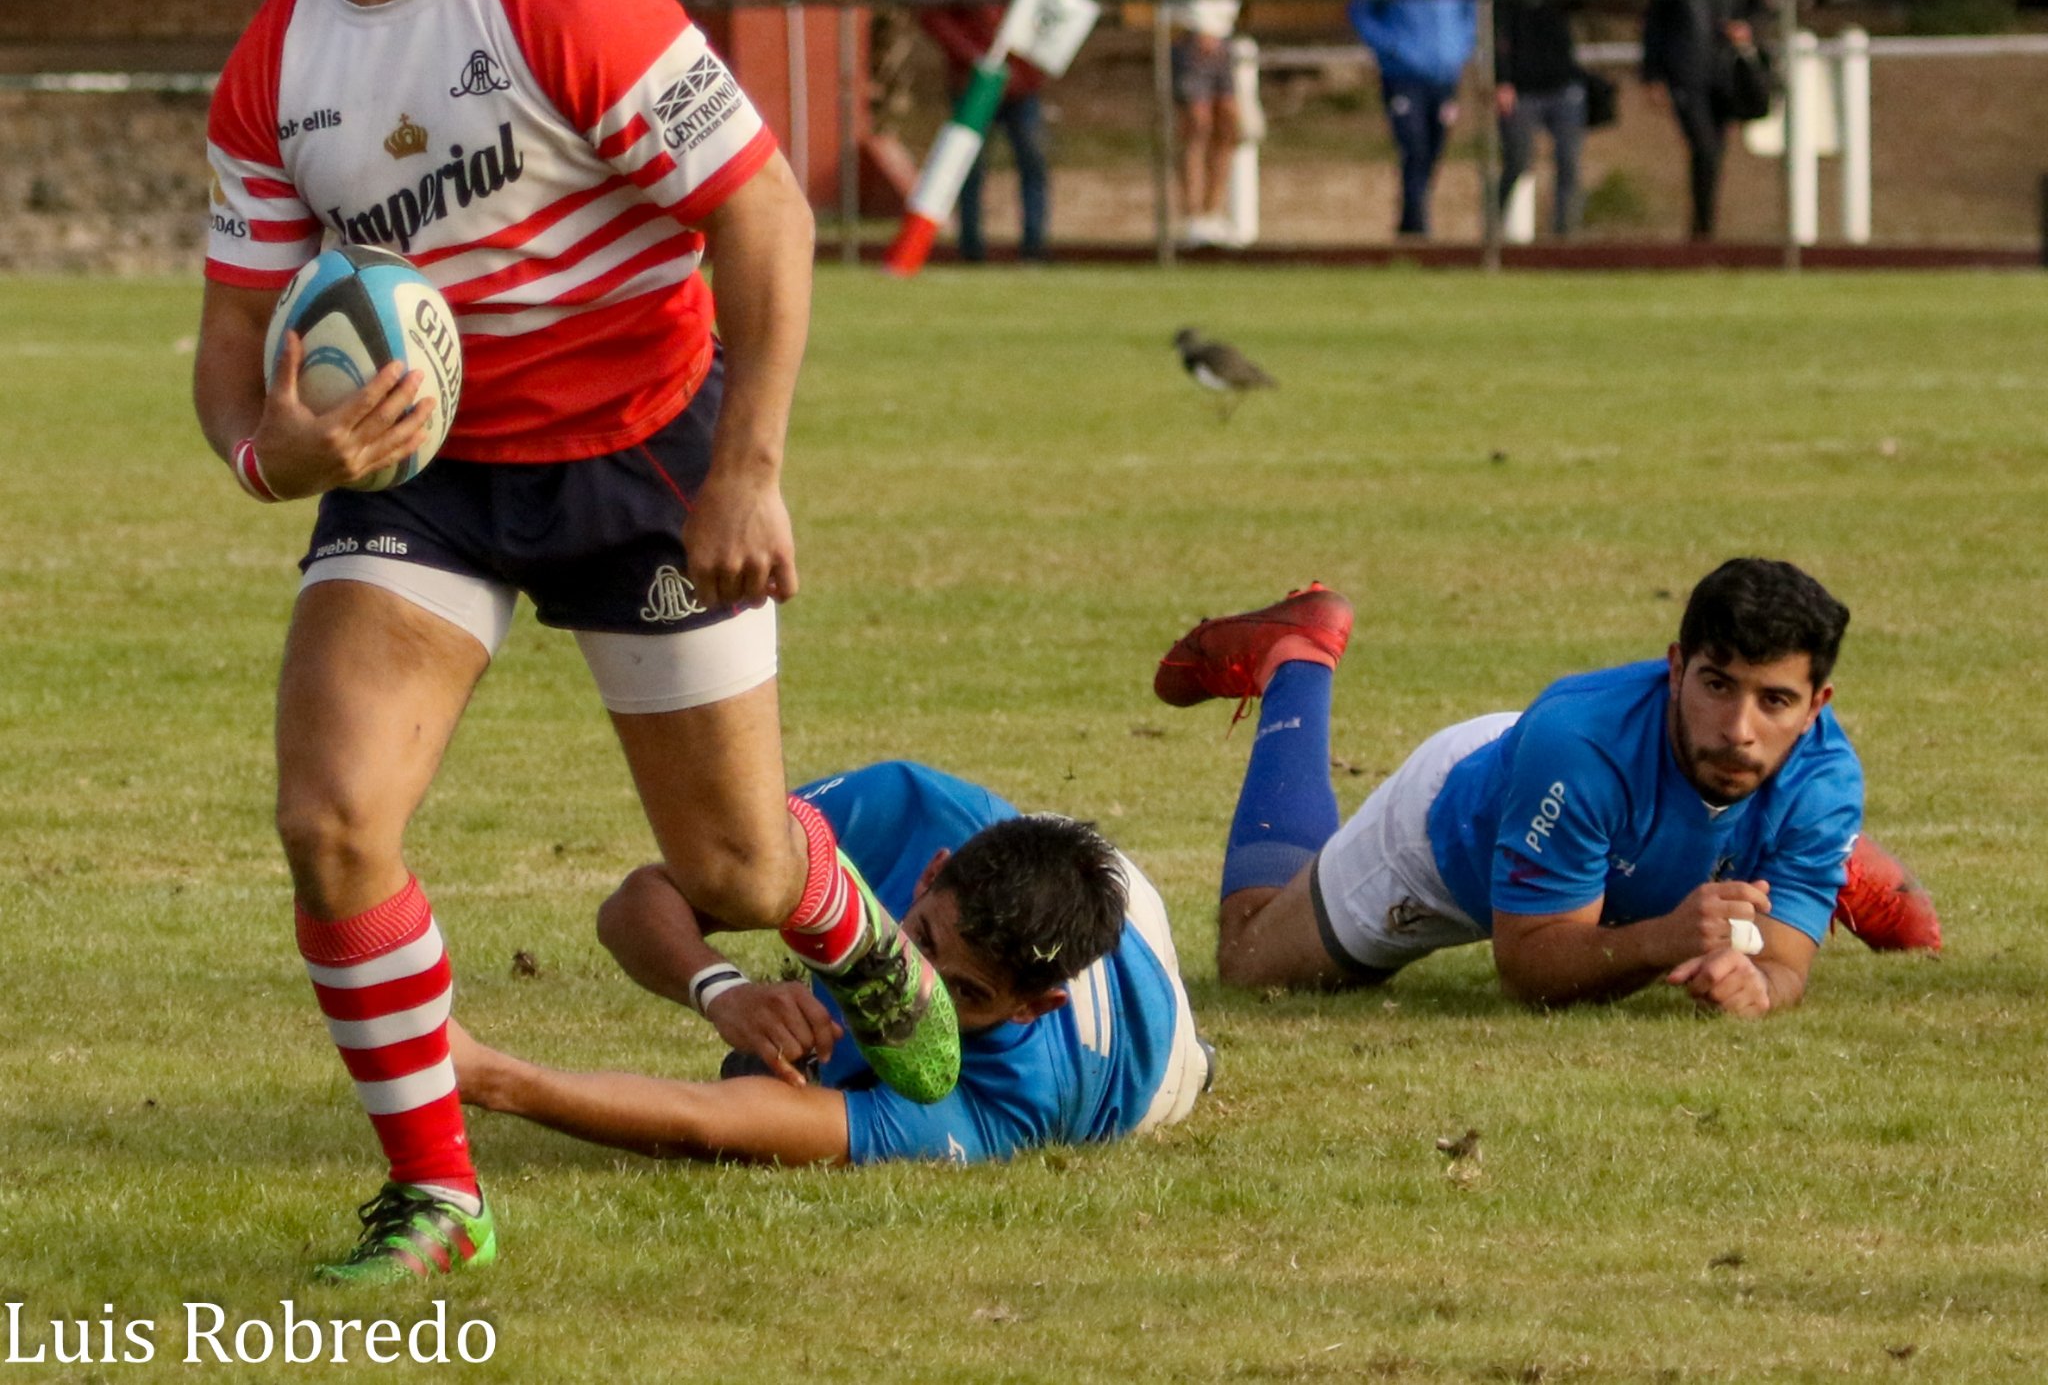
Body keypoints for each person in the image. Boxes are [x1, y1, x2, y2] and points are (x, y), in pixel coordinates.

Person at [192, 0, 957, 1284]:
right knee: (332, 818)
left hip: (646, 445)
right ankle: (435, 1190)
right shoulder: (270, 71)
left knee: (732, 864)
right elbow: (223, 360)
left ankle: (851, 932)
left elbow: (763, 211)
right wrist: (281, 452)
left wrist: (745, 468)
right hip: (429, 466)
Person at [1157, 562, 1931, 1020]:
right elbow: (1527, 969)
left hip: (1608, 794)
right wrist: (1667, 937)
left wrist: (1755, 984)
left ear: (1817, 707)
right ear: (1675, 666)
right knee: (1251, 960)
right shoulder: (1579, 753)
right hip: (1458, 831)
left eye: (1775, 702)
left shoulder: (1826, 774)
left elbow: (1785, 969)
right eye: (1716, 685)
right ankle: (1297, 655)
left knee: (1745, 803)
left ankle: (1789, 854)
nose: (1737, 729)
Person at [448, 761, 1211, 1166]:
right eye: (921, 943)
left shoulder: (1017, 1098)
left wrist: (491, 1079)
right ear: (926, 874)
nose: (915, 996)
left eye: (966, 994)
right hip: (1098, 872)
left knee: (769, 1087)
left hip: (1157, 1055)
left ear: (1028, 1008)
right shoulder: (903, 807)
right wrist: (722, 990)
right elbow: (633, 907)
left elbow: (709, 1129)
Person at [918, 0, 1051, 263]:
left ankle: (1034, 245)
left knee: (1033, 159)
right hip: (975, 82)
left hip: (1023, 82)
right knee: (970, 165)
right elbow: (935, 15)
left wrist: (1040, 57)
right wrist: (971, 55)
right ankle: (971, 247)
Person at [1349, 0, 1481, 237]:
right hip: (1402, 72)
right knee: (1413, 145)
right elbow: (1362, 10)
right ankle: (1416, 227)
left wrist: (1461, 47)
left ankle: (1412, 221)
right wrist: (1390, 48)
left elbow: (1472, 10)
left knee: (1433, 149)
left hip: (1444, 73)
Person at [1641, 0, 1767, 239]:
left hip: (1726, 69)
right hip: (1686, 68)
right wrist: (1652, 73)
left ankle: (1703, 227)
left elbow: (1760, 6)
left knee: (1715, 150)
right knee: (1705, 146)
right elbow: (1656, 18)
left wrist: (1749, 30)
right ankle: (1702, 231)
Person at [1165, 0, 1263, 245]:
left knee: (1227, 121)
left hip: (1221, 31)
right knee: (1197, 123)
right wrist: (1199, 22)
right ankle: (1192, 216)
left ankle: (1214, 209)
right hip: (1198, 30)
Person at [1493, 0, 1588, 236]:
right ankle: (1494, 237)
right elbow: (1500, 25)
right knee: (1516, 162)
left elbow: (1581, 7)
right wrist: (1502, 79)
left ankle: (1565, 240)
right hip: (1522, 81)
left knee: (1569, 164)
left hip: (1563, 80)